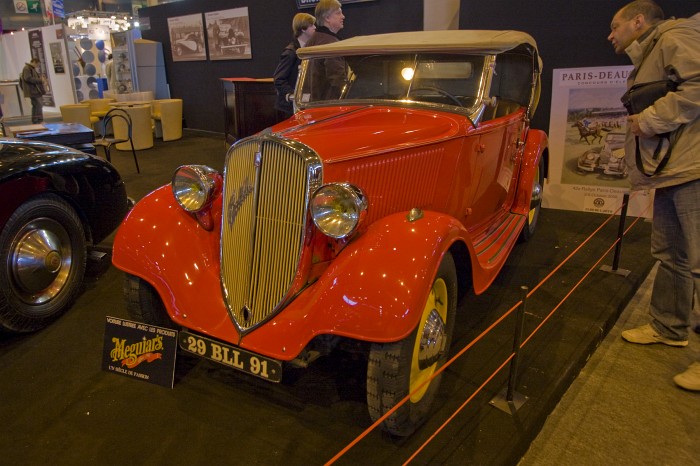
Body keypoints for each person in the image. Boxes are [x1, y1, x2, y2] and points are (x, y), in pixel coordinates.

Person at [607, 0, 700, 391]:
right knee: (672, 254)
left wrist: (647, 120)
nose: (611, 35)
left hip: (691, 169)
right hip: (671, 170)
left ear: (639, 21)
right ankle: (669, 326)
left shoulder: (675, 38)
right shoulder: (654, 51)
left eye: (616, 26)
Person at [273, 13, 316, 117]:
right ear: (303, 29)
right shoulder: (291, 52)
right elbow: (278, 79)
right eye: (311, 25)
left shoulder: (307, 49)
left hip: (301, 105)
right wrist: (294, 94)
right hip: (289, 108)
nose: (315, 27)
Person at [305, 0, 346, 100]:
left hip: (314, 103)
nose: (343, 16)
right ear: (327, 18)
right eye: (338, 13)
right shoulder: (330, 43)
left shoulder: (313, 40)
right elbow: (338, 79)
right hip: (330, 104)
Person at [20, 58, 46, 124]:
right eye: (37, 64)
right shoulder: (27, 68)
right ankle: (39, 120)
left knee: (36, 105)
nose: (37, 66)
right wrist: (40, 80)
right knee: (38, 105)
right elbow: (28, 78)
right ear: (34, 62)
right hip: (33, 91)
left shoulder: (31, 68)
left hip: (34, 90)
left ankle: (35, 120)